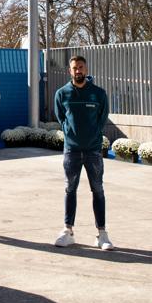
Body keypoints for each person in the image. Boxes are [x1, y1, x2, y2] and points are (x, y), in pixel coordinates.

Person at [53, 55, 113, 250]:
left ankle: (102, 234)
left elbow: (102, 118)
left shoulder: (98, 94)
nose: (78, 70)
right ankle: (68, 231)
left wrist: (93, 134)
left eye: (81, 67)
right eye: (74, 68)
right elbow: (61, 117)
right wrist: (70, 132)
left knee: (98, 190)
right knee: (70, 189)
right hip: (71, 150)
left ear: (86, 69)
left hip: (93, 150)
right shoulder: (62, 94)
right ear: (70, 71)